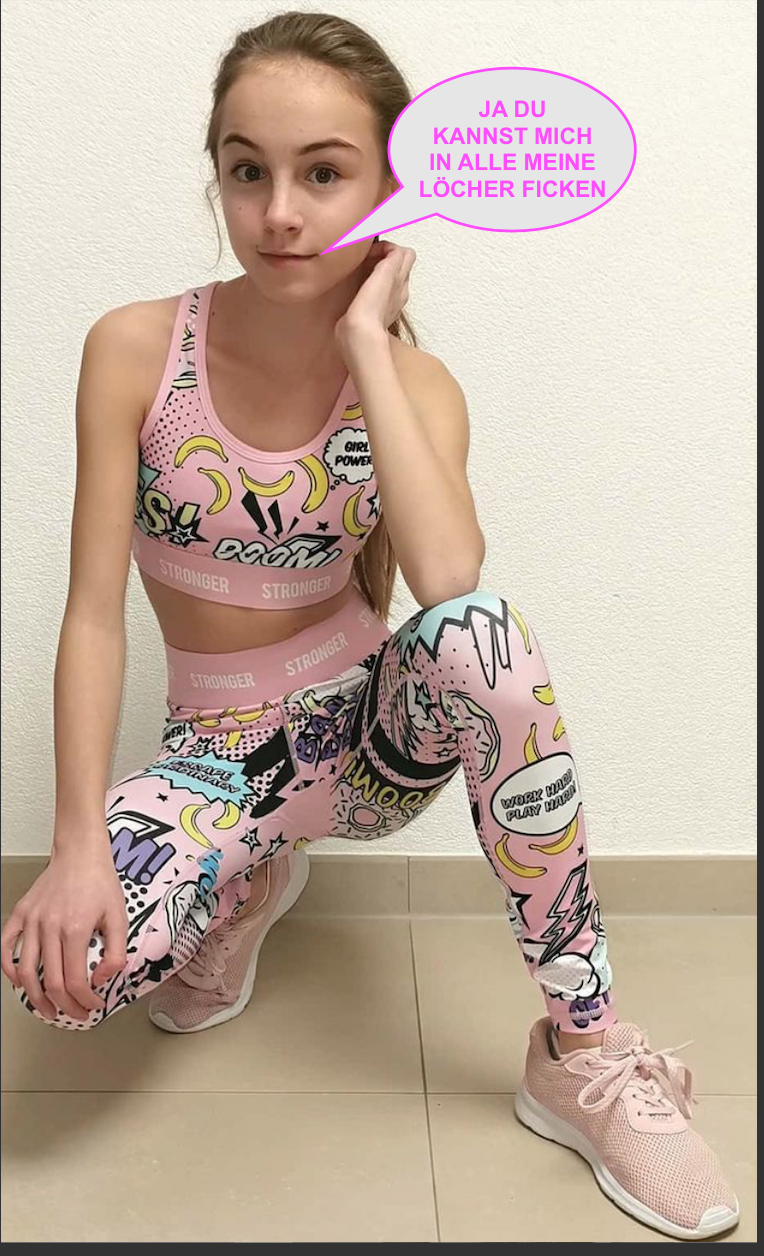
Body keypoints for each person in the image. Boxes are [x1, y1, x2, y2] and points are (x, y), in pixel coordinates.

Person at [0, 9, 738, 1243]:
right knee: (61, 982)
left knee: (484, 635)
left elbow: (446, 579)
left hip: (367, 745)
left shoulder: (413, 384)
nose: (279, 212)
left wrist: (364, 340)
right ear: (217, 176)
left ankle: (583, 1047)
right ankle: (244, 878)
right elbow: (90, 616)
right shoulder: (134, 349)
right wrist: (79, 847)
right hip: (213, 760)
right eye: (247, 170)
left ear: (392, 189)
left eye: (324, 173)